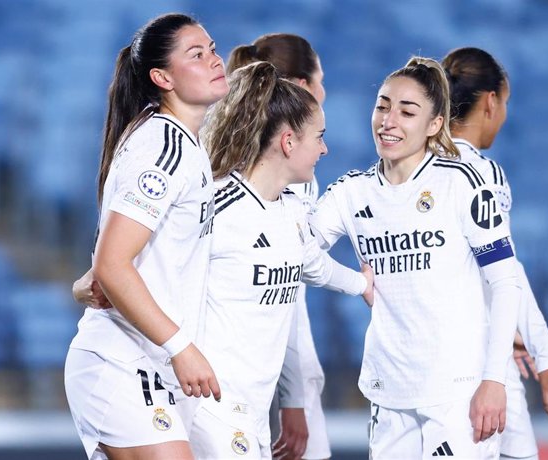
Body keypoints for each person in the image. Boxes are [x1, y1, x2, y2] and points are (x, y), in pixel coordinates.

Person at [309, 56, 522, 459]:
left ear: (435, 124)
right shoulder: (350, 193)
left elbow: (505, 281)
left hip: (458, 393)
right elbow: (296, 253)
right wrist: (352, 282)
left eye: (407, 111)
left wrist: (495, 380)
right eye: (383, 106)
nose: (389, 120)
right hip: (388, 392)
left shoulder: (461, 182)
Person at [187, 60, 373, 459]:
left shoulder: (289, 209)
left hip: (253, 408)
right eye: (319, 137)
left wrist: (361, 285)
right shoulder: (215, 206)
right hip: (209, 405)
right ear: (289, 142)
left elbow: (312, 263)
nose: (325, 148)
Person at [63, 13, 229, 460]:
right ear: (162, 77)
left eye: (212, 48)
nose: (216, 60)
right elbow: (114, 262)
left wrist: (91, 280)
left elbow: (128, 260)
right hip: (123, 361)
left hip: (148, 364)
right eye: (197, 54)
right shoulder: (164, 146)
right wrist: (181, 348)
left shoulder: (184, 143)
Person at [442, 46, 548, 460]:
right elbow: (505, 269)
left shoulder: (416, 166)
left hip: (467, 348)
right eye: (506, 103)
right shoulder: (483, 173)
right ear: (491, 101)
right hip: (476, 364)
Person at [227, 33, 329, 460]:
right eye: (322, 79)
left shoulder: (230, 147)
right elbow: (285, 297)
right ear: (304, 88)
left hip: (254, 368)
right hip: (247, 371)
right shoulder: (279, 177)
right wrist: (296, 397)